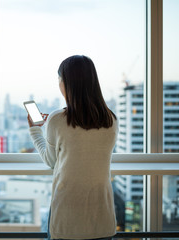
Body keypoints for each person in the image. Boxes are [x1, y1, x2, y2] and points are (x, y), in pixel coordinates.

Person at [27, 55, 118, 240]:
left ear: (66, 83)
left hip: (66, 216)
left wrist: (35, 131)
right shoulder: (111, 120)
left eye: (59, 79)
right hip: (102, 215)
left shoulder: (57, 119)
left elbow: (51, 161)